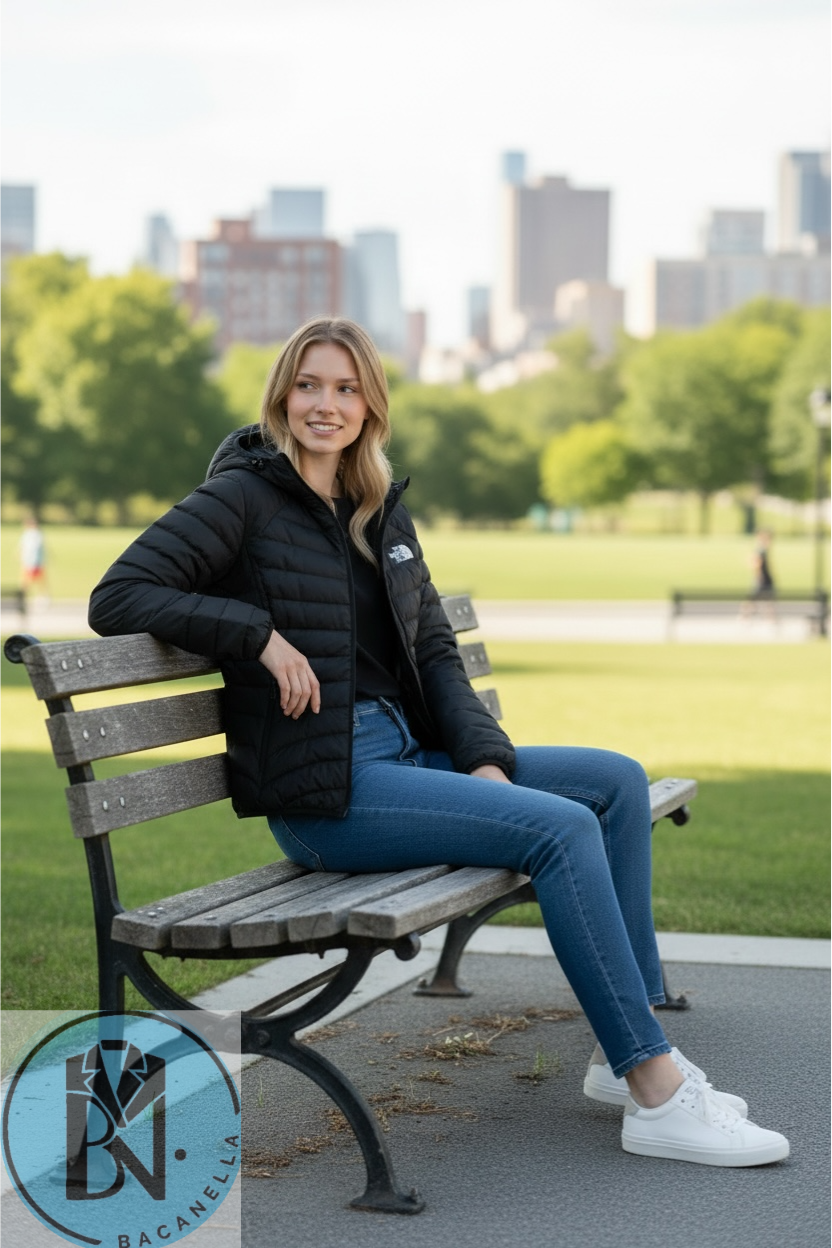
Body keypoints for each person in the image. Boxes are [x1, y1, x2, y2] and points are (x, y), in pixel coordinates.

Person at [88, 317, 789, 1169]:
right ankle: (657, 1091)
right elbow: (118, 594)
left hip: (408, 759)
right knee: (558, 829)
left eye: (346, 388)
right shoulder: (241, 497)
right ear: (281, 395)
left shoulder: (381, 509)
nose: (326, 404)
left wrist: (486, 762)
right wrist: (257, 635)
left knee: (615, 782)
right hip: (328, 792)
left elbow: (433, 654)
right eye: (309, 385)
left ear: (371, 405)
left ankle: (621, 1051)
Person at [19, 515, 47, 598]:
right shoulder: (28, 534)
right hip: (29, 561)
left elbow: (34, 549)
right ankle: (24, 595)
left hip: (34, 561)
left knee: (36, 580)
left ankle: (43, 596)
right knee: (27, 580)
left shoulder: (36, 535)